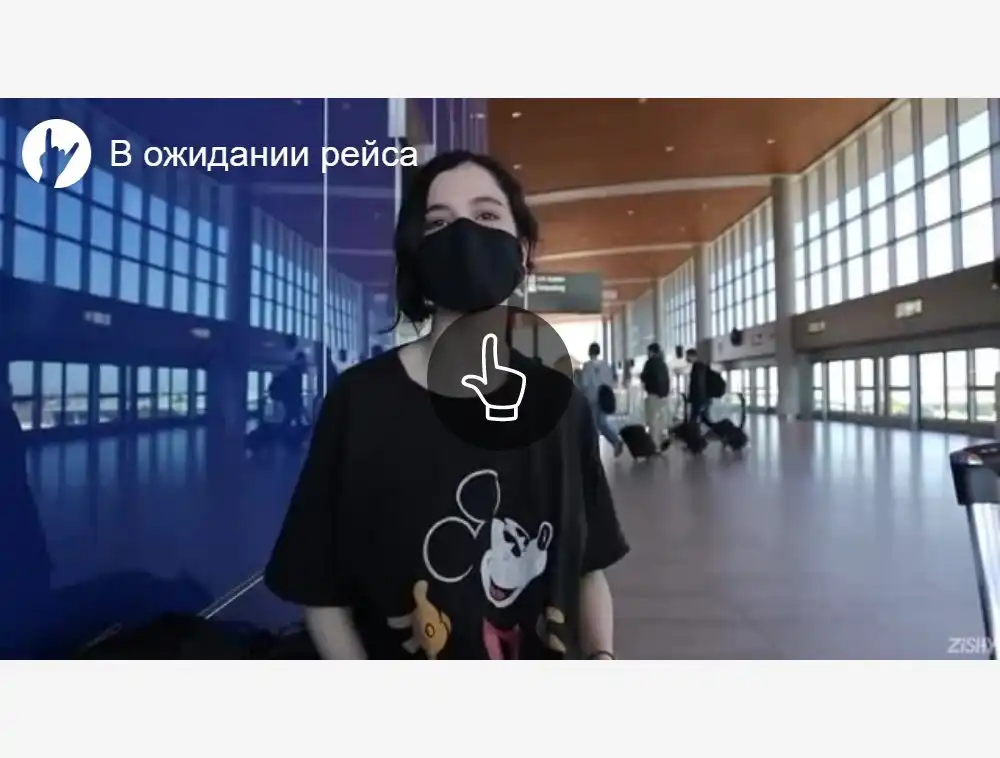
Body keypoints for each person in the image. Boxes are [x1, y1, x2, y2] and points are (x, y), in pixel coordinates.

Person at [264, 150, 628, 660]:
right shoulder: (361, 403)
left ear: (523, 249)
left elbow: (589, 569)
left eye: (486, 215)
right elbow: (319, 590)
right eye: (438, 223)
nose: (464, 235)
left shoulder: (563, 407)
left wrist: (602, 658)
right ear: (415, 255)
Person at [579, 343, 623, 456]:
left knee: (593, 425)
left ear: (589, 352)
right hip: (603, 397)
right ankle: (615, 441)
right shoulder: (605, 365)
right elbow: (610, 381)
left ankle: (594, 450)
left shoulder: (587, 366)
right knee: (602, 423)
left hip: (592, 397)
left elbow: (584, 383)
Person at [639, 342, 670, 449]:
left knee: (651, 420)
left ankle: (654, 444)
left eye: (648, 351)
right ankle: (663, 438)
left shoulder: (650, 363)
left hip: (652, 394)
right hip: (663, 395)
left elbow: (644, 377)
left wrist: (643, 377)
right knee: (661, 418)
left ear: (652, 352)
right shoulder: (663, 363)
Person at [685, 347, 710, 425]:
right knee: (702, 418)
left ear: (692, 356)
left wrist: (694, 397)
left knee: (694, 418)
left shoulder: (697, 367)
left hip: (698, 398)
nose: (686, 358)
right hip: (701, 398)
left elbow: (698, 384)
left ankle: (693, 431)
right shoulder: (701, 366)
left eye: (687, 356)